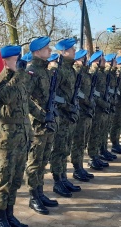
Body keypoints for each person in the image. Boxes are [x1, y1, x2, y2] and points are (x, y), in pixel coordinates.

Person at [0, 45, 43, 227]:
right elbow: (5, 97)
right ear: (5, 61)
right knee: (4, 181)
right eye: (16, 58)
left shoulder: (18, 79)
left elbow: (26, 104)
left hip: (22, 136)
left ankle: (10, 215)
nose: (20, 61)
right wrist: (20, 73)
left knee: (15, 180)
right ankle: (0, 219)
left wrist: (42, 117)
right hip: (6, 139)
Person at [23, 36, 59, 216]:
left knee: (44, 159)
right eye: (46, 49)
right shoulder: (32, 72)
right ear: (37, 52)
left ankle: (40, 192)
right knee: (34, 162)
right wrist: (41, 115)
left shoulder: (46, 71)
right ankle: (33, 197)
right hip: (37, 125)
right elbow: (25, 98)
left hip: (48, 122)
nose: (50, 51)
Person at [50, 38, 82, 198]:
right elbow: (53, 95)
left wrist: (74, 106)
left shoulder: (71, 70)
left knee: (65, 150)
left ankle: (63, 178)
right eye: (72, 49)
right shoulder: (58, 70)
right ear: (63, 52)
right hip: (61, 116)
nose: (75, 51)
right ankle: (57, 181)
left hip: (69, 116)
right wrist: (67, 106)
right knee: (58, 150)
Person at [70, 49, 96, 181]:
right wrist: (87, 100)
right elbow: (76, 92)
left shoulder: (85, 73)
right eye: (85, 58)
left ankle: (80, 166)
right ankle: (76, 168)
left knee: (83, 142)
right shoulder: (76, 72)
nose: (87, 60)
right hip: (79, 111)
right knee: (78, 142)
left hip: (86, 112)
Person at [87, 51, 111, 171]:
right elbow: (92, 92)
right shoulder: (91, 74)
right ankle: (92, 157)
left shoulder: (101, 74)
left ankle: (96, 155)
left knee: (100, 133)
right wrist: (102, 103)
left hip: (101, 108)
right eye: (102, 59)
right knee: (94, 134)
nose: (105, 61)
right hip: (95, 108)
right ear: (96, 61)